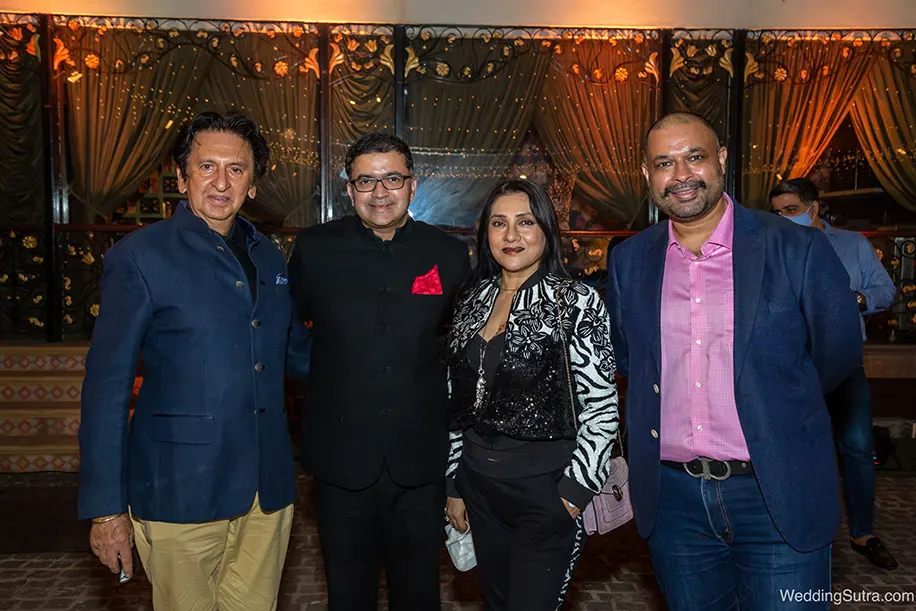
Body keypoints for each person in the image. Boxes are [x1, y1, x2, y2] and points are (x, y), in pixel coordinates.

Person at [605, 112, 863, 610]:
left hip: (776, 490)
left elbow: (836, 354)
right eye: (664, 163)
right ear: (647, 175)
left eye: (694, 157)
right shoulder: (630, 260)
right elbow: (630, 359)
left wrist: (779, 403)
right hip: (675, 501)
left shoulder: (795, 247)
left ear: (721, 160)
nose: (681, 175)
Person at [78, 111, 311, 611]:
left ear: (253, 184)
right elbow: (106, 388)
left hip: (266, 492)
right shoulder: (140, 257)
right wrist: (105, 510)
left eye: (236, 169)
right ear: (182, 178)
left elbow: (294, 354)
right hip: (178, 490)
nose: (221, 182)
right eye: (207, 167)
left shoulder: (270, 257)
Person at [287, 132, 470, 611]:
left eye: (392, 178)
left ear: (412, 185)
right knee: (348, 594)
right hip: (340, 457)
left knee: (419, 593)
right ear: (349, 190)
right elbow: (287, 329)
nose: (380, 192)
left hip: (420, 459)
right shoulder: (315, 249)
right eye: (366, 181)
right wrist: (324, 376)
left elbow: (463, 347)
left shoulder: (449, 255)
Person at [445, 179, 619, 611]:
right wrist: (454, 482)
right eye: (498, 223)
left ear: (546, 229)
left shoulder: (576, 302)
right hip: (479, 486)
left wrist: (573, 493)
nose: (511, 235)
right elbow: (456, 402)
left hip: (546, 492)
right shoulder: (472, 299)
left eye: (525, 222)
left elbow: (601, 406)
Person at [770, 177, 898, 570]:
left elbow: (885, 290)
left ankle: (863, 533)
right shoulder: (771, 248)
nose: (783, 218)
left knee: (857, 447)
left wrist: (855, 299)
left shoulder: (853, 245)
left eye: (791, 210)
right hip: (792, 365)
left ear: (813, 208)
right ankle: (795, 531)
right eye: (777, 213)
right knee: (793, 449)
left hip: (843, 365)